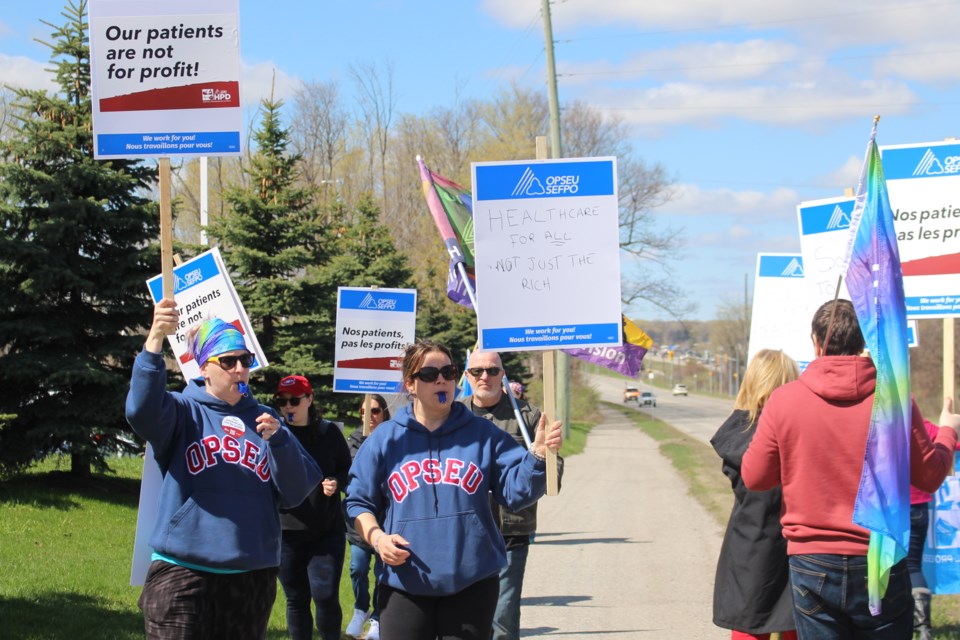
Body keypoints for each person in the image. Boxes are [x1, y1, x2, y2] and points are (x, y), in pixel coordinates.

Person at [742, 299, 960, 638]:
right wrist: (948, 431)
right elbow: (930, 477)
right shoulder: (896, 398)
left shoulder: (783, 400)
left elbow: (754, 478)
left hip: (812, 559)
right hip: (879, 561)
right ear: (863, 343)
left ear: (816, 342)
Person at [125, 300, 323, 640]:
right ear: (204, 369)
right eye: (227, 361)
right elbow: (140, 411)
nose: (239, 370)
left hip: (250, 578)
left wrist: (279, 443)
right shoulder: (183, 410)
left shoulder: (267, 420)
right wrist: (155, 338)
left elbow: (297, 490)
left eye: (244, 361)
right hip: (182, 573)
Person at [345, 340, 563, 640]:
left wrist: (538, 455)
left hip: (472, 581)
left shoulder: (484, 434)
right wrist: (377, 537)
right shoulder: (385, 439)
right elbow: (358, 502)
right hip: (404, 580)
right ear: (410, 383)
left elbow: (517, 493)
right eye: (429, 374)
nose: (441, 379)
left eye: (448, 372)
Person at [460, 350, 563, 640]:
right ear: (467, 376)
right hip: (463, 532)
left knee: (503, 615)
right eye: (477, 371)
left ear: (502, 375)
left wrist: (547, 455)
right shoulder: (453, 416)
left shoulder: (529, 416)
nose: (485, 377)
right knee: (463, 615)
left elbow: (554, 478)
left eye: (492, 371)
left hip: (510, 531)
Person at [710, 349, 799, 640]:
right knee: (797, 624)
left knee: (748, 623)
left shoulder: (739, 431)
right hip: (794, 538)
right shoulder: (794, 430)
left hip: (750, 541)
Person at [274, 374, 353, 640]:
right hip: (287, 532)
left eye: (294, 400)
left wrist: (334, 482)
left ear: (309, 399)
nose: (288, 407)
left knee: (326, 595)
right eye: (282, 401)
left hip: (326, 531)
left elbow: (347, 471)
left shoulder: (328, 432)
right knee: (296, 599)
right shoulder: (275, 434)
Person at [344, 394, 390, 640]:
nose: (369, 417)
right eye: (364, 411)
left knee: (383, 573)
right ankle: (360, 609)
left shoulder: (394, 439)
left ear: (383, 412)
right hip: (360, 524)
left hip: (387, 520)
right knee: (357, 567)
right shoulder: (352, 442)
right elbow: (345, 476)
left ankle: (376, 618)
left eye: (374, 411)